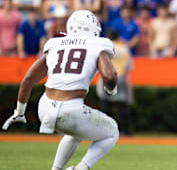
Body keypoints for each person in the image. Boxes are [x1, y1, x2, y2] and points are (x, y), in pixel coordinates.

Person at [2, 10, 119, 170]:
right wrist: (111, 89)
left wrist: (20, 112)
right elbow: (110, 76)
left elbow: (27, 80)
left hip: (44, 107)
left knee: (75, 133)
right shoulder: (98, 44)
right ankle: (81, 169)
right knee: (112, 131)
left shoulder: (55, 44)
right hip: (71, 109)